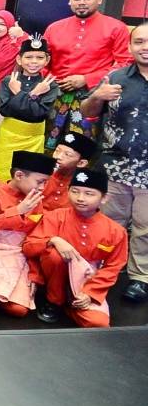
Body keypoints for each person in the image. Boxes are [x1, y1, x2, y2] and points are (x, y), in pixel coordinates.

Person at [80, 23, 148, 302]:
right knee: (110, 224)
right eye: (140, 42)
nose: (145, 47)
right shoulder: (115, 77)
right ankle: (101, 271)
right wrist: (97, 96)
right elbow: (87, 111)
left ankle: (140, 277)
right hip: (116, 165)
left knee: (145, 227)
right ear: (130, 47)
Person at [23, 168, 128, 328]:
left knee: (98, 323)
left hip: (87, 279)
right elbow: (29, 247)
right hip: (54, 276)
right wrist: (53, 240)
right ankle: (55, 301)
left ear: (104, 198)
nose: (80, 198)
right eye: (75, 191)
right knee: (54, 255)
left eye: (89, 194)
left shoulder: (116, 231)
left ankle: (71, 304)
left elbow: (113, 267)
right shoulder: (55, 216)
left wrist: (90, 293)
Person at [45, 0, 131, 149]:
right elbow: (42, 62)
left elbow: (124, 63)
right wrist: (51, 81)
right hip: (55, 96)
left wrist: (87, 79)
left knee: (83, 149)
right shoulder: (54, 28)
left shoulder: (116, 27)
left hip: (93, 97)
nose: (82, 2)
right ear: (70, 0)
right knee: (48, 144)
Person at [0, 150, 55, 317]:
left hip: (19, 253)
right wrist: (17, 211)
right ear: (19, 175)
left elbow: (36, 233)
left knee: (19, 311)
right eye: (40, 182)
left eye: (45, 183)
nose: (42, 188)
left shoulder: (36, 198)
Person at [0, 37, 58, 181]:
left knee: (28, 177)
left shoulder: (49, 84)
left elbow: (39, 114)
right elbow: (5, 110)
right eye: (28, 57)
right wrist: (34, 95)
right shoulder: (10, 80)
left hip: (34, 139)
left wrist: (19, 94)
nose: (34, 61)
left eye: (39, 57)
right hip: (8, 136)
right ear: (19, 59)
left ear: (47, 60)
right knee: (1, 173)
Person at [42, 132, 96, 212]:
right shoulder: (41, 174)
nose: (58, 157)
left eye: (67, 154)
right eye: (57, 151)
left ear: (81, 163)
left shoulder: (84, 186)